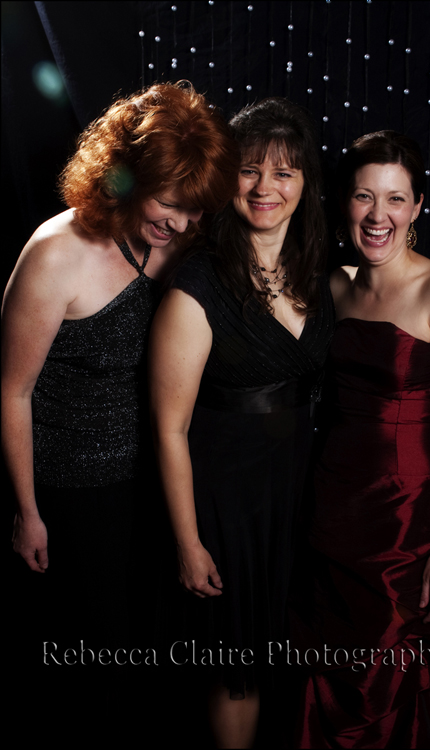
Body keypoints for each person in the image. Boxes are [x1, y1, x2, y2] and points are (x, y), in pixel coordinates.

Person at [2, 81, 239, 728]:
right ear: (124, 174)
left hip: (156, 480)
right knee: (96, 663)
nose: (182, 224)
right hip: (72, 488)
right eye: (171, 204)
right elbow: (13, 391)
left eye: (195, 210)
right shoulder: (56, 253)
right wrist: (27, 512)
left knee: (157, 660)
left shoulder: (183, 239)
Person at [291, 130, 430, 748]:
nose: (378, 215)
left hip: (408, 525)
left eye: (396, 199)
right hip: (332, 513)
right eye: (364, 197)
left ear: (417, 206)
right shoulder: (336, 285)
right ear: (344, 203)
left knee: (399, 683)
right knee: (331, 675)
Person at [149, 97, 334, 748]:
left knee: (286, 656)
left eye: (284, 172)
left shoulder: (316, 270)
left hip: (296, 498)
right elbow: (168, 429)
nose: (265, 188)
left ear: (305, 184)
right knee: (237, 669)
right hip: (226, 506)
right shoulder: (197, 284)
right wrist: (188, 541)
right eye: (249, 170)